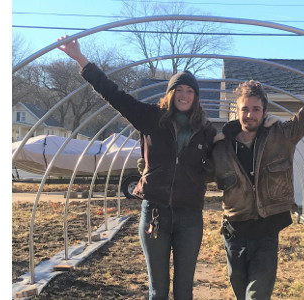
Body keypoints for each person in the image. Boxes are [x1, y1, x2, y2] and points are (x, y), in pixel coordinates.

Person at [57, 35, 217, 300]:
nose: (184, 95)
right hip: (155, 213)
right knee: (158, 290)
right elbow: (113, 93)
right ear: (171, 93)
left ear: (196, 97)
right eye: (179, 90)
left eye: (190, 91)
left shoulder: (206, 131)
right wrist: (80, 59)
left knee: (184, 290)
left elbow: (219, 161)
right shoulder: (151, 118)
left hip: (190, 217)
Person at [209, 41, 304, 299]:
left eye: (256, 109)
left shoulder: (282, 136)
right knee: (240, 293)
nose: (250, 114)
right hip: (235, 232)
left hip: (267, 232)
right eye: (245, 109)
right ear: (237, 111)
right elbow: (197, 172)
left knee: (258, 296)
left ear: (264, 112)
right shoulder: (221, 147)